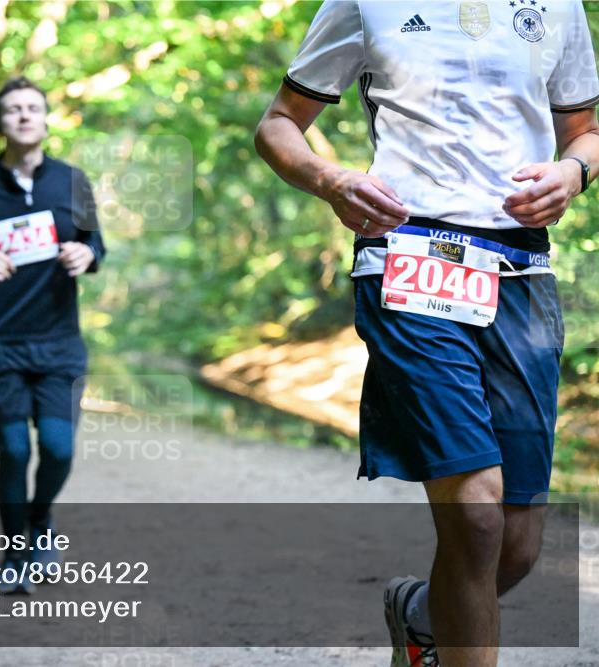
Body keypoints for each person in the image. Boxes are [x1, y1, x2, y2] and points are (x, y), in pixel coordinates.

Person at [254, 2, 597, 665]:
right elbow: (278, 125)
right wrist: (331, 180)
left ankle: (418, 613)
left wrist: (572, 173)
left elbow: (585, 132)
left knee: (518, 543)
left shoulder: (557, 6)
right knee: (476, 516)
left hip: (521, 272)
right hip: (408, 257)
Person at [0, 76, 105, 595]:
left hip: (58, 343)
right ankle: (15, 551)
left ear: (47, 119)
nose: (24, 116)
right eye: (13, 109)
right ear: (0, 123)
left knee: (57, 449)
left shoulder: (72, 181)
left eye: (33, 107)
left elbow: (96, 243)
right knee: (12, 450)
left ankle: (41, 520)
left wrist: (88, 254)